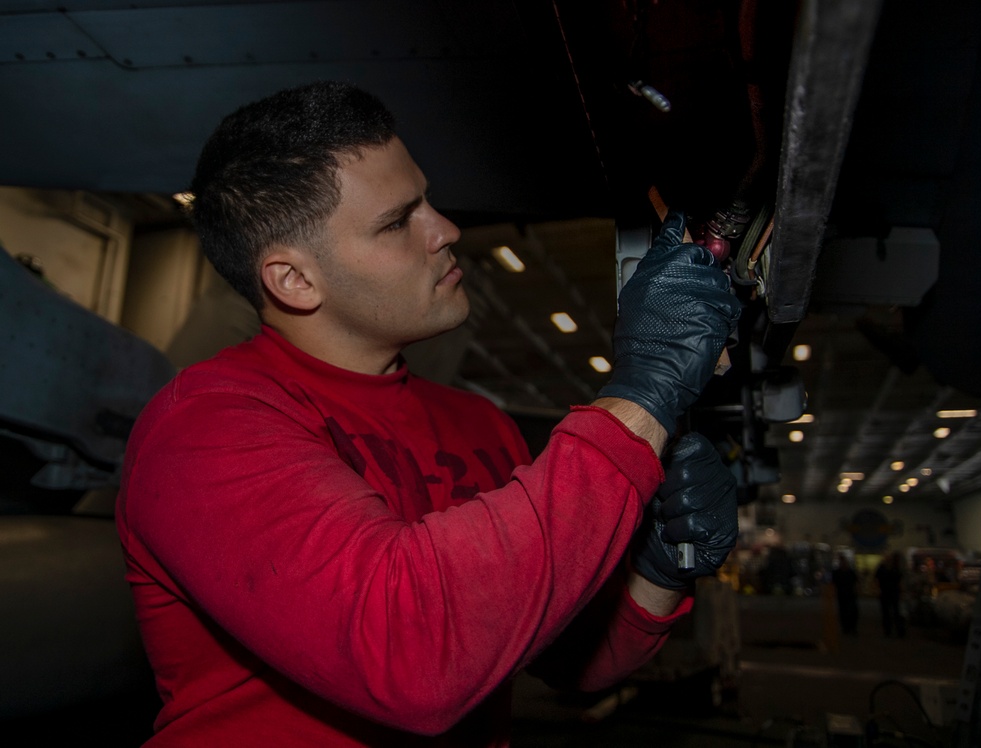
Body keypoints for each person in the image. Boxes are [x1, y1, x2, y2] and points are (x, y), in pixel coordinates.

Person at [115, 81, 742, 746]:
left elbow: (558, 653)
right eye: (396, 222)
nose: (445, 230)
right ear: (294, 280)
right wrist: (642, 395)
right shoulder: (204, 430)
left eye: (428, 201)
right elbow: (411, 658)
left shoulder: (481, 425)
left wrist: (657, 572)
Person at [875, 551, 906, 638]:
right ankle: (887, 630)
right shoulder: (881, 568)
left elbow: (900, 580)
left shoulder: (895, 568)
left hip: (894, 592)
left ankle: (899, 630)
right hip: (885, 593)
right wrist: (878, 590)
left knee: (896, 612)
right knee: (886, 613)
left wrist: (902, 591)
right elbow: (877, 580)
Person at [831, 552, 859, 635]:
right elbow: (833, 583)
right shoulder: (837, 572)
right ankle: (846, 628)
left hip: (850, 594)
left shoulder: (850, 572)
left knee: (852, 612)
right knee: (843, 612)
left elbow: (856, 582)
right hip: (842, 594)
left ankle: (852, 628)